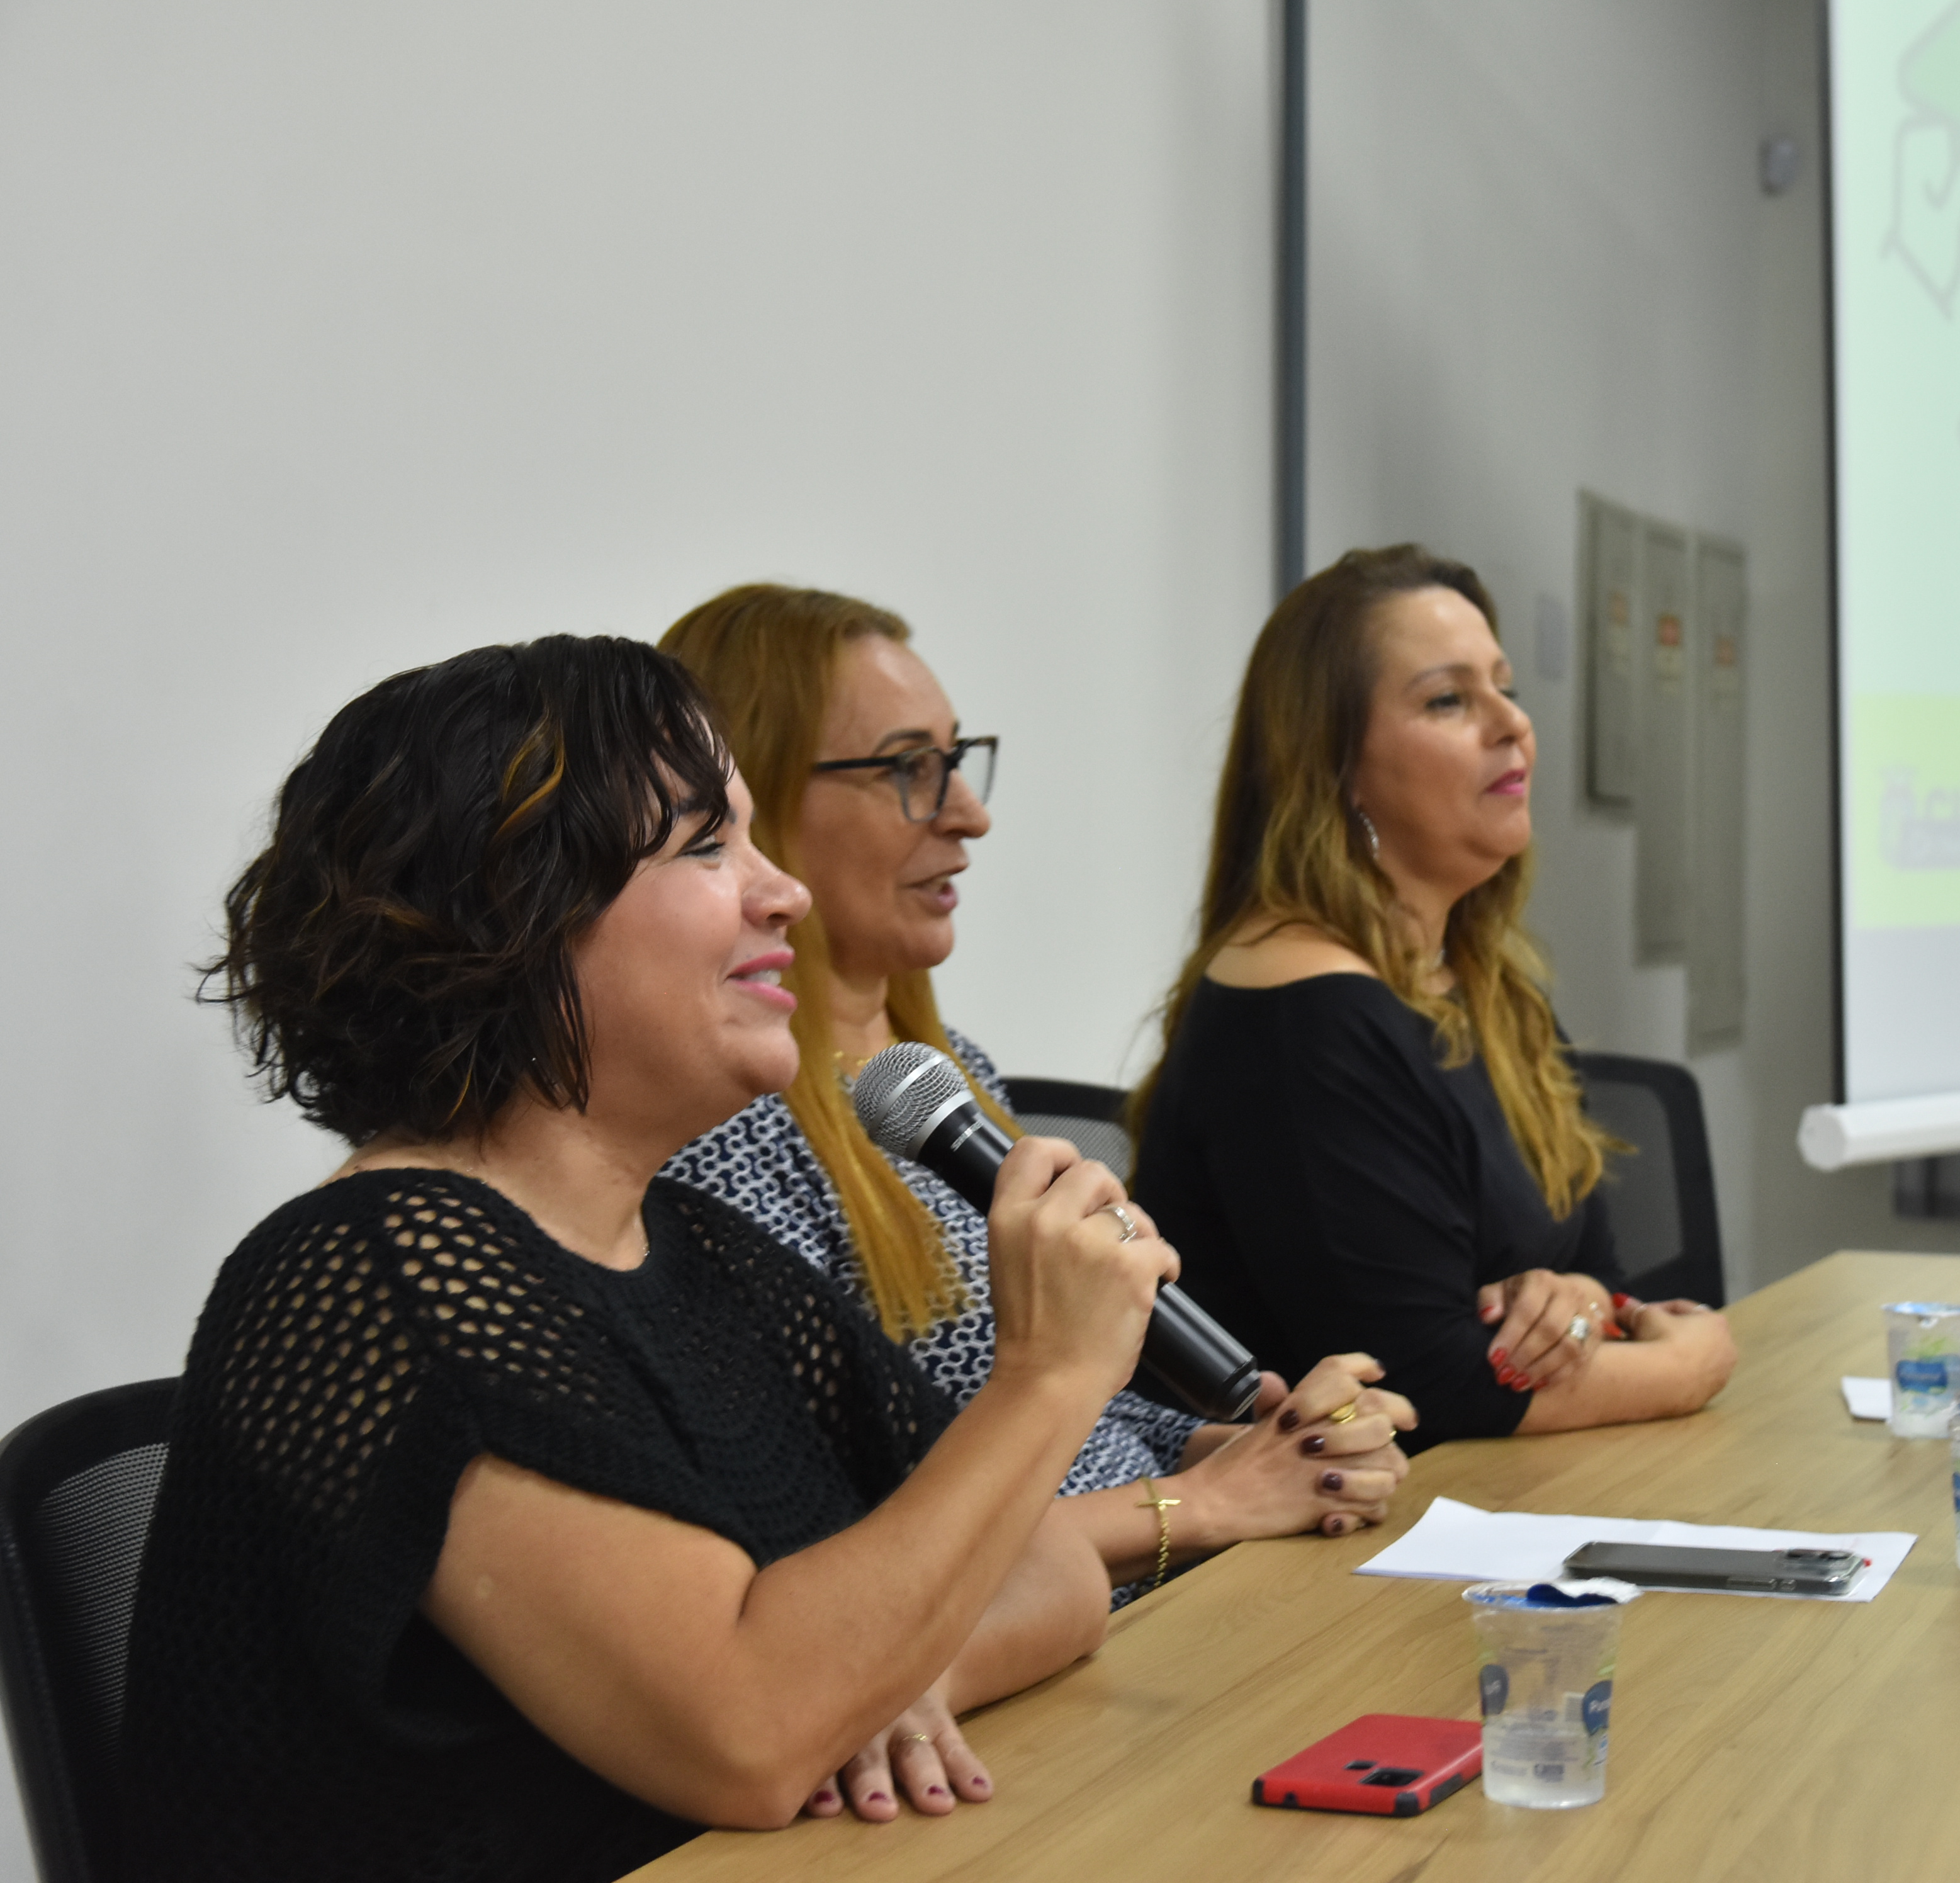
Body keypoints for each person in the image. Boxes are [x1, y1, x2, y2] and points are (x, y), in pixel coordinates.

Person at [123, 636, 1264, 1881]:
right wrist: (1045, 1379)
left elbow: (1048, 1572)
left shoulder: (701, 1254)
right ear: (511, 915)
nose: (786, 896)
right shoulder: (380, 1280)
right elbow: (749, 1732)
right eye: (708, 845)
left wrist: (879, 1677)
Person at [654, 586, 1413, 1622]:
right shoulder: (724, 1126)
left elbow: (1082, 1426)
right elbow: (845, 1536)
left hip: (1136, 1609)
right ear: (753, 806)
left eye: (957, 761)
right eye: (909, 770)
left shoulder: (940, 1075)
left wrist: (1258, 1447)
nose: (969, 813)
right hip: (1018, 1652)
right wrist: (1205, 1503)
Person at [1129, 545, 1739, 1454]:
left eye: (1506, 688)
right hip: (1327, 1526)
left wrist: (1571, 1305)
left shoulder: (1482, 983)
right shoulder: (1303, 1013)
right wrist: (1689, 1365)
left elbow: (1595, 1265)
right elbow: (1422, 1382)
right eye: (1449, 700)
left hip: (1486, 1496)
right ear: (1336, 766)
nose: (1513, 724)